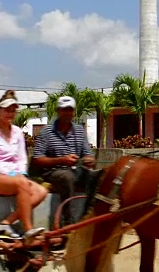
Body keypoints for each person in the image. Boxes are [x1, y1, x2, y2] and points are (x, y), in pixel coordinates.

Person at [0, 90, 48, 242]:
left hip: (14, 178)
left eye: (13, 111)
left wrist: (20, 173)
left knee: (41, 191)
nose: (10, 114)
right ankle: (29, 230)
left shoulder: (17, 132)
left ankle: (7, 222)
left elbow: (22, 159)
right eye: (7, 110)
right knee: (21, 182)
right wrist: (11, 174)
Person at [32, 95, 97, 226]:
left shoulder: (79, 130)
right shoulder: (47, 132)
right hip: (52, 172)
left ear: (74, 112)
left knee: (98, 177)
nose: (67, 113)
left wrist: (89, 160)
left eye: (70, 110)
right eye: (64, 110)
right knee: (67, 177)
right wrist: (62, 160)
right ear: (58, 111)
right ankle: (68, 222)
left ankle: (91, 216)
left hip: (76, 170)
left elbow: (87, 154)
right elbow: (38, 159)